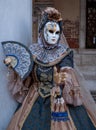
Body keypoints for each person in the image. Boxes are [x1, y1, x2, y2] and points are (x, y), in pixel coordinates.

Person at [4, 7, 96, 130]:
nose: (54, 36)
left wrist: (62, 78)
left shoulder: (64, 53)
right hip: (35, 97)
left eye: (57, 33)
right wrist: (14, 65)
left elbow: (67, 70)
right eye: (50, 31)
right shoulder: (33, 51)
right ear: (42, 31)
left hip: (58, 97)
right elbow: (26, 73)